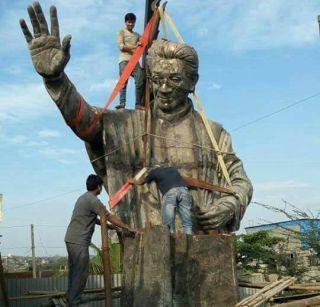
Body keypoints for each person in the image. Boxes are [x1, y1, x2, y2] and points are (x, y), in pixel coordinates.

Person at [20, 3, 253, 234]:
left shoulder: (214, 133)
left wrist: (230, 205)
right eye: (157, 78)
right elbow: (86, 123)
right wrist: (56, 80)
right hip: (146, 247)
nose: (164, 87)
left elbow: (240, 181)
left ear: (192, 82)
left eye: (173, 79)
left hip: (203, 246)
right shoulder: (129, 123)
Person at [64, 174, 138, 306]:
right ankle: (73, 301)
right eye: (101, 186)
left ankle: (70, 297)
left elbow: (93, 218)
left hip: (70, 239)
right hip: (79, 241)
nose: (102, 188)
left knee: (74, 271)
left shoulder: (83, 198)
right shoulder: (93, 201)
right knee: (81, 273)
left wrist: (108, 226)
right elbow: (108, 216)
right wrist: (127, 226)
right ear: (98, 187)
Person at [131, 167, 193, 234]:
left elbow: (142, 182)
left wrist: (133, 181)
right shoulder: (173, 169)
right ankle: (190, 241)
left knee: (168, 224)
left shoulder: (154, 172)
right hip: (185, 191)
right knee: (187, 223)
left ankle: (171, 241)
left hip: (171, 193)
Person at [115, 12, 144, 110]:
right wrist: (135, 47)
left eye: (132, 23)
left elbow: (144, 43)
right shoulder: (121, 32)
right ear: (125, 22)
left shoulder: (137, 35)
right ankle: (122, 103)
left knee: (140, 79)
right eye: (129, 22)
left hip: (134, 61)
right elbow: (121, 47)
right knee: (123, 81)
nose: (131, 24)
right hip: (124, 60)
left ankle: (138, 104)